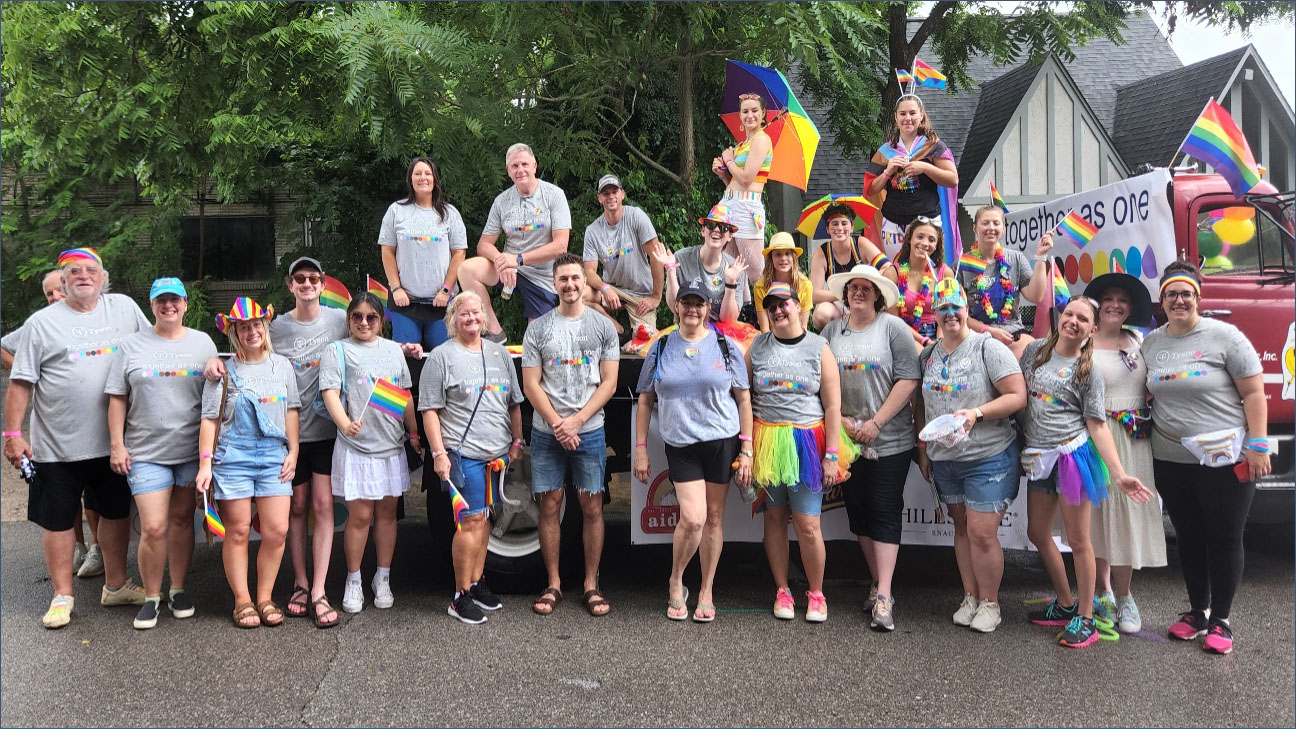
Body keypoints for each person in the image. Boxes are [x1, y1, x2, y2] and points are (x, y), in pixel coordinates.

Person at [4, 248, 150, 629]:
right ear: (63, 281)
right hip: (57, 446)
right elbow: (21, 383)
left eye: (91, 270)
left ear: (103, 278)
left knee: (116, 513)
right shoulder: (41, 323)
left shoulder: (124, 309)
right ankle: (61, 595)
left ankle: (116, 585)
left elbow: (154, 346)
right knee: (58, 521)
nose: (84, 276)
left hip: (115, 443)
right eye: (74, 271)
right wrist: (12, 434)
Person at [1143, 260, 1270, 655]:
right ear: (1161, 300)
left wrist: (1259, 445)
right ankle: (1198, 612)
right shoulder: (1151, 343)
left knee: (1225, 535)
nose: (1179, 300)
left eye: (1186, 294)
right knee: (1189, 536)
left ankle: (1222, 621)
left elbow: (1254, 393)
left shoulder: (1225, 337)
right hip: (1171, 460)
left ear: (1199, 297)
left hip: (1225, 457)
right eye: (1171, 294)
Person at [1019, 297, 1152, 649]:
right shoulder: (1034, 352)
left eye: (1082, 319)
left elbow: (1097, 425)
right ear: (1059, 317)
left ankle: (1087, 617)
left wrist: (1119, 473)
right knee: (1037, 532)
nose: (1073, 321)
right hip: (1039, 457)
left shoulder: (1088, 371)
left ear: (1091, 329)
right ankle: (1065, 603)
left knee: (1079, 541)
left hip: (1072, 458)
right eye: (1069, 314)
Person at [634, 281, 753, 622]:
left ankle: (706, 590)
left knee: (714, 518)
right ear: (676, 306)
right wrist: (640, 448)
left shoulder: (726, 346)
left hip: (721, 441)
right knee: (694, 517)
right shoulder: (660, 347)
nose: (692, 309)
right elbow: (645, 401)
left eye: (698, 303)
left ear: (707, 309)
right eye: (686, 302)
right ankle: (675, 580)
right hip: (681, 444)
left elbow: (743, 399)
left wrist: (746, 448)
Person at [914, 279, 1025, 634]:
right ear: (934, 314)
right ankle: (970, 597)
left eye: (956, 306)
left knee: (981, 532)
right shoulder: (928, 354)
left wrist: (976, 413)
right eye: (942, 307)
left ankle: (991, 603)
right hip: (945, 458)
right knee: (960, 527)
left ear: (967, 310)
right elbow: (922, 403)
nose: (950, 314)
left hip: (989, 455)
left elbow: (1017, 395)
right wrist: (924, 451)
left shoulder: (987, 348)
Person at [105, 278, 217, 630]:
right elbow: (117, 397)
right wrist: (117, 444)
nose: (168, 306)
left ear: (185, 304)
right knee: (153, 527)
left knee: (183, 521)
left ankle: (178, 589)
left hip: (189, 451)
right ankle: (152, 596)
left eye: (175, 300)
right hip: (145, 451)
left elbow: (215, 397)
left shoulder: (202, 343)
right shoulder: (131, 345)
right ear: (151, 305)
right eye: (161, 300)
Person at [745, 282, 858, 623]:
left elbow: (833, 404)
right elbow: (743, 395)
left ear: (798, 305)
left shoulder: (818, 346)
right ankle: (782, 589)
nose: (778, 310)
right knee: (775, 519)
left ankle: (817, 593)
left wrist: (832, 454)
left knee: (808, 525)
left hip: (808, 444)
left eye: (784, 304)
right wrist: (747, 449)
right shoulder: (757, 346)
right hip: (767, 441)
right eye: (772, 306)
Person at [820, 265, 918, 631]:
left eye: (866, 288)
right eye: (852, 288)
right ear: (845, 295)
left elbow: (909, 378)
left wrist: (877, 422)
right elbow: (821, 382)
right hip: (846, 442)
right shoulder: (831, 331)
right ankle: (878, 583)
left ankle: (884, 596)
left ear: (877, 295)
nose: (858, 292)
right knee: (858, 513)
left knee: (885, 511)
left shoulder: (893, 328)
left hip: (889, 440)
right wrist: (842, 422)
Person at [522, 253, 620, 617]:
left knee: (592, 507)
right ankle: (554, 584)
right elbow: (531, 384)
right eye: (563, 279)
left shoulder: (603, 327)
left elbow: (609, 383)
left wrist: (576, 421)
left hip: (590, 430)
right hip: (548, 432)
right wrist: (558, 424)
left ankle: (591, 585)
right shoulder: (538, 329)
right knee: (549, 505)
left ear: (584, 282)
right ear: (554, 284)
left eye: (576, 279)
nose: (570, 285)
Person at [420, 291, 524, 625]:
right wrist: (438, 454)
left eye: (477, 313)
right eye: (464, 314)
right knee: (471, 523)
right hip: (464, 456)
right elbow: (430, 411)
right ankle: (459, 595)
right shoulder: (441, 357)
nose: (472, 319)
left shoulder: (499, 354)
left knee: (487, 521)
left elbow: (514, 403)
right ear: (453, 318)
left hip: (497, 457)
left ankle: (477, 584)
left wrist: (517, 442)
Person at [196, 297, 299, 629]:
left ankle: (265, 597)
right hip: (232, 458)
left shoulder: (282, 366)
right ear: (234, 332)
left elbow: (292, 411)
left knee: (277, 530)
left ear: (265, 327)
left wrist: (293, 452)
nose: (252, 330)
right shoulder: (223, 371)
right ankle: (243, 601)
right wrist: (205, 464)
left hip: (274, 458)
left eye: (257, 324)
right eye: (244, 326)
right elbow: (209, 420)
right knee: (238, 531)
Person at [319, 293, 420, 615]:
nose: (364, 322)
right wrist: (345, 422)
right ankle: (353, 579)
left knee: (387, 516)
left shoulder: (393, 350)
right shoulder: (337, 351)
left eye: (371, 317)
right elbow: (330, 393)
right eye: (357, 316)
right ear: (349, 319)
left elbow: (404, 397)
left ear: (381, 321)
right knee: (360, 517)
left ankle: (383, 577)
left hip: (390, 446)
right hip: (357, 447)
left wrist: (414, 432)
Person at [0, 269, 100, 577]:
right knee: (64, 500)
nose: (55, 296)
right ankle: (78, 549)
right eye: (49, 293)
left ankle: (97, 549)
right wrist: (25, 367)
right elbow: (4, 348)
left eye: (58, 289)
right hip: (56, 435)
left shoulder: (100, 316)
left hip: (100, 432)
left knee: (95, 498)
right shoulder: (39, 325)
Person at [1085, 272, 1165, 634]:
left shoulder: (1139, 341)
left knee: (1127, 516)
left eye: (1123, 300)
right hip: (1094, 437)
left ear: (1131, 308)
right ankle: (1103, 591)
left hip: (1134, 440)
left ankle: (1126, 595)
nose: (1115, 305)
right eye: (1109, 299)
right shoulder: (1083, 342)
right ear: (1097, 307)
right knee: (1096, 517)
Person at [270, 257, 348, 626]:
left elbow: (370, 338)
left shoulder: (338, 320)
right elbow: (252, 355)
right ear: (291, 285)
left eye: (312, 278)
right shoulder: (277, 327)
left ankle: (319, 590)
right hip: (292, 433)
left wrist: (405, 350)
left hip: (328, 430)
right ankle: (299, 583)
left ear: (321, 285)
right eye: (299, 279)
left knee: (323, 505)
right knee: (297, 506)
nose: (306, 284)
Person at [457, 143, 572, 342]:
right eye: (514, 166)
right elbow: (484, 244)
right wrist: (501, 260)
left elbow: (561, 246)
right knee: (466, 269)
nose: (520, 170)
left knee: (536, 342)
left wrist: (518, 259)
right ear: (508, 171)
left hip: (542, 275)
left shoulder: (554, 195)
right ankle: (494, 332)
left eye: (524, 164)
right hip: (508, 269)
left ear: (534, 166)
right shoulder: (502, 201)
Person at [379, 156, 469, 352]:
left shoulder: (449, 213)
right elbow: (387, 251)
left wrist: (446, 290)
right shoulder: (396, 211)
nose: (423, 177)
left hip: (442, 304)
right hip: (405, 303)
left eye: (428, 173)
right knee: (406, 362)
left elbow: (459, 253)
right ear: (410, 179)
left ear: (435, 179)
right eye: (417, 173)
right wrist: (396, 289)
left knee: (443, 359)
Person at [863, 94, 958, 259]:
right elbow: (870, 190)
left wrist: (925, 168)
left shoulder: (933, 146)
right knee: (897, 273)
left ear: (921, 115)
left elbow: (952, 179)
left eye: (913, 113)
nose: (908, 118)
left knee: (927, 274)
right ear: (896, 117)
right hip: (893, 223)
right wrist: (888, 172)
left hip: (927, 222)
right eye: (903, 113)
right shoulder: (885, 151)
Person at [957, 207, 1056, 359]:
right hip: (976, 337)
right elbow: (958, 314)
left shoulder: (1016, 258)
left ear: (1003, 228)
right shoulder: (962, 264)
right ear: (975, 228)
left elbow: (1036, 296)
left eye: (996, 223)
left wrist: (1041, 257)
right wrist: (988, 331)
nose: (991, 228)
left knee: (1040, 354)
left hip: (1013, 336)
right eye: (985, 223)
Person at [581, 174, 665, 348]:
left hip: (641, 294)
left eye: (614, 192)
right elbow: (588, 272)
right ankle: (620, 333)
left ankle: (636, 337)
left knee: (648, 346)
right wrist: (604, 288)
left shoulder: (636, 216)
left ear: (622, 194)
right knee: (579, 296)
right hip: (612, 289)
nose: (611, 196)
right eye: (606, 193)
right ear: (599, 198)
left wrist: (656, 297)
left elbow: (656, 255)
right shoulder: (593, 230)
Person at [863, 217, 953, 348]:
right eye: (920, 237)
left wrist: (939, 344)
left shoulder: (944, 273)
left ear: (937, 246)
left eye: (931, 240)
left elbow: (947, 313)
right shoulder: (892, 274)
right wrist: (924, 342)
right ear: (909, 239)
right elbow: (894, 320)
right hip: (904, 333)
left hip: (940, 334)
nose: (925, 243)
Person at [657, 205, 751, 327]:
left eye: (723, 228)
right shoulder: (681, 258)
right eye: (711, 225)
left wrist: (730, 283)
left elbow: (728, 319)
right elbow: (675, 308)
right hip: (687, 328)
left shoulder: (735, 267)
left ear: (730, 236)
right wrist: (670, 270)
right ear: (703, 231)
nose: (717, 230)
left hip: (719, 335)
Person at [712, 91, 772, 281]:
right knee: (729, 268)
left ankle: (771, 308)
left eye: (755, 110)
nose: (750, 115)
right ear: (739, 115)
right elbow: (736, 184)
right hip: (729, 206)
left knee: (755, 271)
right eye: (745, 111)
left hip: (747, 208)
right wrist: (723, 175)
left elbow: (746, 180)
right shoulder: (740, 146)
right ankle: (740, 308)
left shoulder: (762, 139)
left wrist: (728, 162)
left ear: (763, 114)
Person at [809, 205, 866, 331]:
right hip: (840, 303)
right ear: (827, 229)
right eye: (834, 224)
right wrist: (845, 294)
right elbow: (814, 294)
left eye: (844, 223)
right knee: (821, 315)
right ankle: (833, 342)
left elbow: (886, 266)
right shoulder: (822, 253)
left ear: (852, 228)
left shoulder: (860, 244)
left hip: (865, 299)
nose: (839, 228)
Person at [1, 269, 65, 368]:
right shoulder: (41, 323)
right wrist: (25, 375)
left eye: (60, 289)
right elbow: (2, 349)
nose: (56, 297)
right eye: (50, 294)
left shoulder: (95, 316)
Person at [752, 233, 812, 332]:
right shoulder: (760, 287)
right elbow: (765, 329)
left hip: (796, 336)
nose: (783, 258)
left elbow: (803, 327)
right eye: (778, 254)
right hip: (773, 337)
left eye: (787, 253)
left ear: (794, 257)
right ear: (771, 259)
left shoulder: (805, 285)